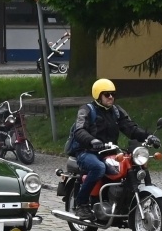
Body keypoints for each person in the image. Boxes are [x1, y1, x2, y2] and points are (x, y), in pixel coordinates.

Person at [65, 78, 152, 220]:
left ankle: (122, 202)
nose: (111, 97)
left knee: (133, 165)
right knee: (98, 168)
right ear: (98, 95)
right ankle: (82, 204)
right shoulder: (87, 110)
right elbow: (79, 130)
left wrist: (148, 136)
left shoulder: (116, 111)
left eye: (113, 94)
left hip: (109, 152)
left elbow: (130, 128)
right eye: (107, 94)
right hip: (87, 151)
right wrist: (92, 140)